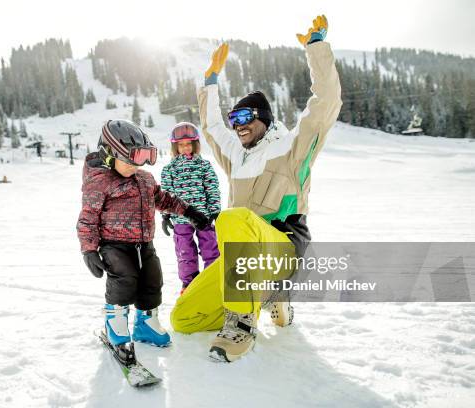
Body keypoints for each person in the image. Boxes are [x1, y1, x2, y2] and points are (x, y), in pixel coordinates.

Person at [170, 15, 342, 362]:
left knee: (232, 218)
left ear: (264, 117)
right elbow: (211, 126)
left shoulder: (292, 147)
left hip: (283, 246)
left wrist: (316, 49)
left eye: (245, 117)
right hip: (243, 259)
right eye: (235, 120)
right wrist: (209, 81)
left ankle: (242, 324)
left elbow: (325, 103)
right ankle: (263, 296)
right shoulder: (237, 155)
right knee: (183, 318)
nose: (238, 126)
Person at [77, 120, 209, 349]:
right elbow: (88, 218)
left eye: (141, 159)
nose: (135, 166)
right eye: (130, 160)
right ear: (109, 154)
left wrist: (189, 211)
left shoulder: (144, 179)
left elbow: (164, 199)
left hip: (145, 243)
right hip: (114, 245)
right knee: (124, 280)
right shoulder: (99, 183)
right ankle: (115, 323)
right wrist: (89, 250)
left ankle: (146, 324)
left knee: (152, 280)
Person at [161, 122, 221, 293]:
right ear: (175, 147)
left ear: (195, 144)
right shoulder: (169, 169)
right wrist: (166, 216)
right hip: (181, 218)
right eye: (181, 145)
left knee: (210, 247)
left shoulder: (204, 166)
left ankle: (213, 279)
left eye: (189, 144)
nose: (185, 148)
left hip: (204, 217)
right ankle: (189, 283)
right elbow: (166, 194)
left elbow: (212, 189)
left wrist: (214, 211)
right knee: (185, 251)